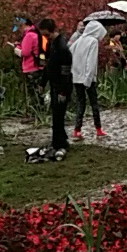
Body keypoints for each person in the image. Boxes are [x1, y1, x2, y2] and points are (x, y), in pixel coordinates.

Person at [69, 14, 116, 141]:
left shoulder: (79, 40)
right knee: (94, 103)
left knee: (80, 104)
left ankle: (77, 130)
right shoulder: (93, 42)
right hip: (88, 79)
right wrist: (88, 79)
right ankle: (98, 129)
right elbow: (91, 62)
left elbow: (70, 53)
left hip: (76, 77)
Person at [38, 19, 73, 157]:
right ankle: (60, 140)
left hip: (61, 86)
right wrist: (42, 82)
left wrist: (63, 91)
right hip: (54, 84)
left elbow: (66, 71)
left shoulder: (62, 47)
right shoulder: (52, 45)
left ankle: (58, 143)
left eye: (45, 34)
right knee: (56, 115)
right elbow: (48, 66)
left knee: (58, 116)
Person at [11, 18, 44, 117]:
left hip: (30, 67)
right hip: (38, 66)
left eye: (20, 26)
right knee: (38, 91)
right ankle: (40, 112)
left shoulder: (29, 35)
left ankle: (34, 114)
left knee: (32, 93)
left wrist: (16, 49)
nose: (19, 29)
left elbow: (25, 53)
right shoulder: (36, 34)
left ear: (24, 24)